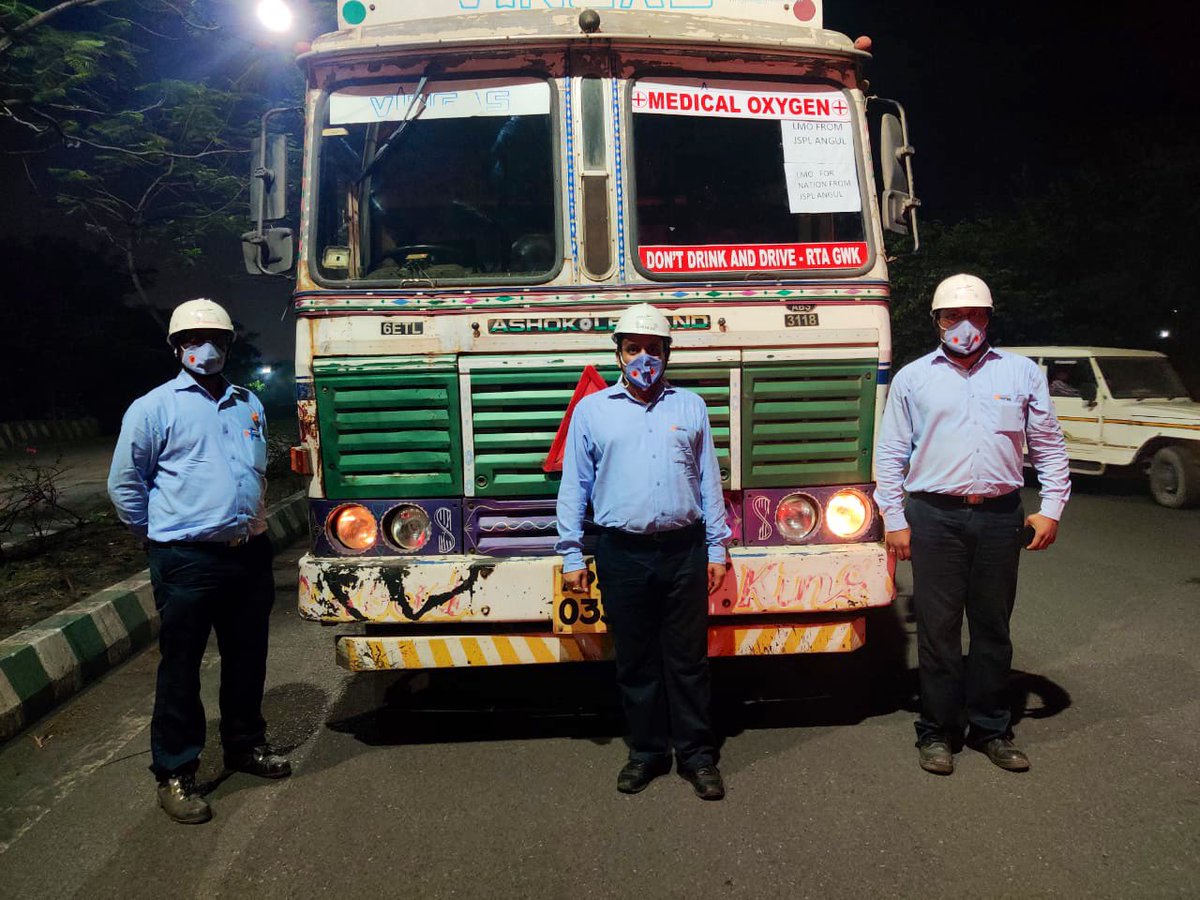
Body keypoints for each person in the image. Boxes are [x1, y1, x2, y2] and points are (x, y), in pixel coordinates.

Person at [875, 274, 1070, 776]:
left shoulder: (1021, 373)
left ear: (989, 318)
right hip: (933, 515)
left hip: (1001, 515)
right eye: (953, 317)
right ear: (937, 321)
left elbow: (1048, 443)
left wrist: (1051, 507)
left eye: (976, 315)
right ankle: (937, 732)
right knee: (939, 630)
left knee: (992, 627)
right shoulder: (913, 378)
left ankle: (991, 728)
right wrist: (894, 517)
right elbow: (891, 452)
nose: (965, 326)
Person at [108, 298, 291, 825]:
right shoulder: (153, 408)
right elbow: (125, 485)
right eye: (191, 339)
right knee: (181, 669)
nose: (204, 348)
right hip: (185, 558)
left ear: (230, 344)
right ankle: (175, 772)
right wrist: (157, 534)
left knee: (246, 659)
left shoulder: (247, 404)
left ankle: (244, 747)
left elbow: (252, 475)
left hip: (248, 553)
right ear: (175, 346)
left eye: (215, 337)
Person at [556, 303, 731, 800]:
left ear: (667, 354)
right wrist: (572, 556)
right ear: (618, 353)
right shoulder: (593, 412)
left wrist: (717, 548)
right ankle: (647, 752)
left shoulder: (690, 407)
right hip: (621, 553)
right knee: (634, 660)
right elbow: (575, 487)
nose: (644, 358)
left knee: (688, 660)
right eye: (633, 348)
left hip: (684, 551)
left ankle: (697, 756)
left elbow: (708, 482)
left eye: (653, 349)